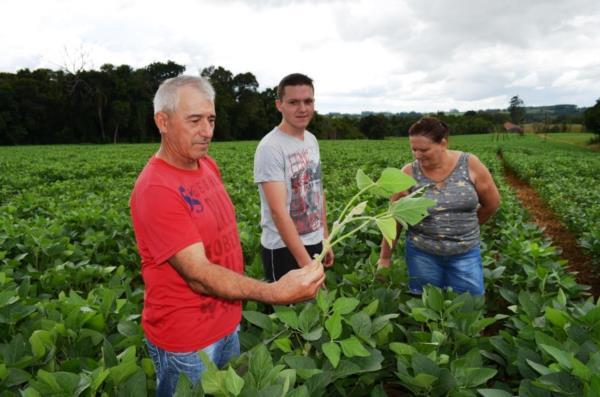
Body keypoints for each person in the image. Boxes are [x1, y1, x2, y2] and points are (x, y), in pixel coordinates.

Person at [129, 75, 325, 397]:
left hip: (227, 321)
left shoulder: (206, 165)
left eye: (211, 119)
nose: (207, 131)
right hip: (187, 341)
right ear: (162, 121)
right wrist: (275, 292)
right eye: (194, 120)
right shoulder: (156, 189)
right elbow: (199, 276)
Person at [378, 117, 500, 295]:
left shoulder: (469, 164)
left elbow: (492, 204)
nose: (418, 155)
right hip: (422, 254)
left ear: (443, 143)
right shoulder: (408, 173)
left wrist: (466, 228)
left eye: (424, 149)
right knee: (425, 306)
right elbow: (394, 219)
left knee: (468, 306)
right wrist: (385, 258)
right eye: (414, 149)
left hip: (465, 252)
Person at [253, 73, 334, 283]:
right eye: (293, 102)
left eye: (308, 101)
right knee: (287, 313)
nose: (302, 108)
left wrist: (325, 237)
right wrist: (306, 264)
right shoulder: (270, 147)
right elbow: (278, 212)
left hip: (314, 241)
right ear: (279, 105)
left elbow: (317, 190)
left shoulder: (311, 140)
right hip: (283, 248)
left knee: (314, 312)